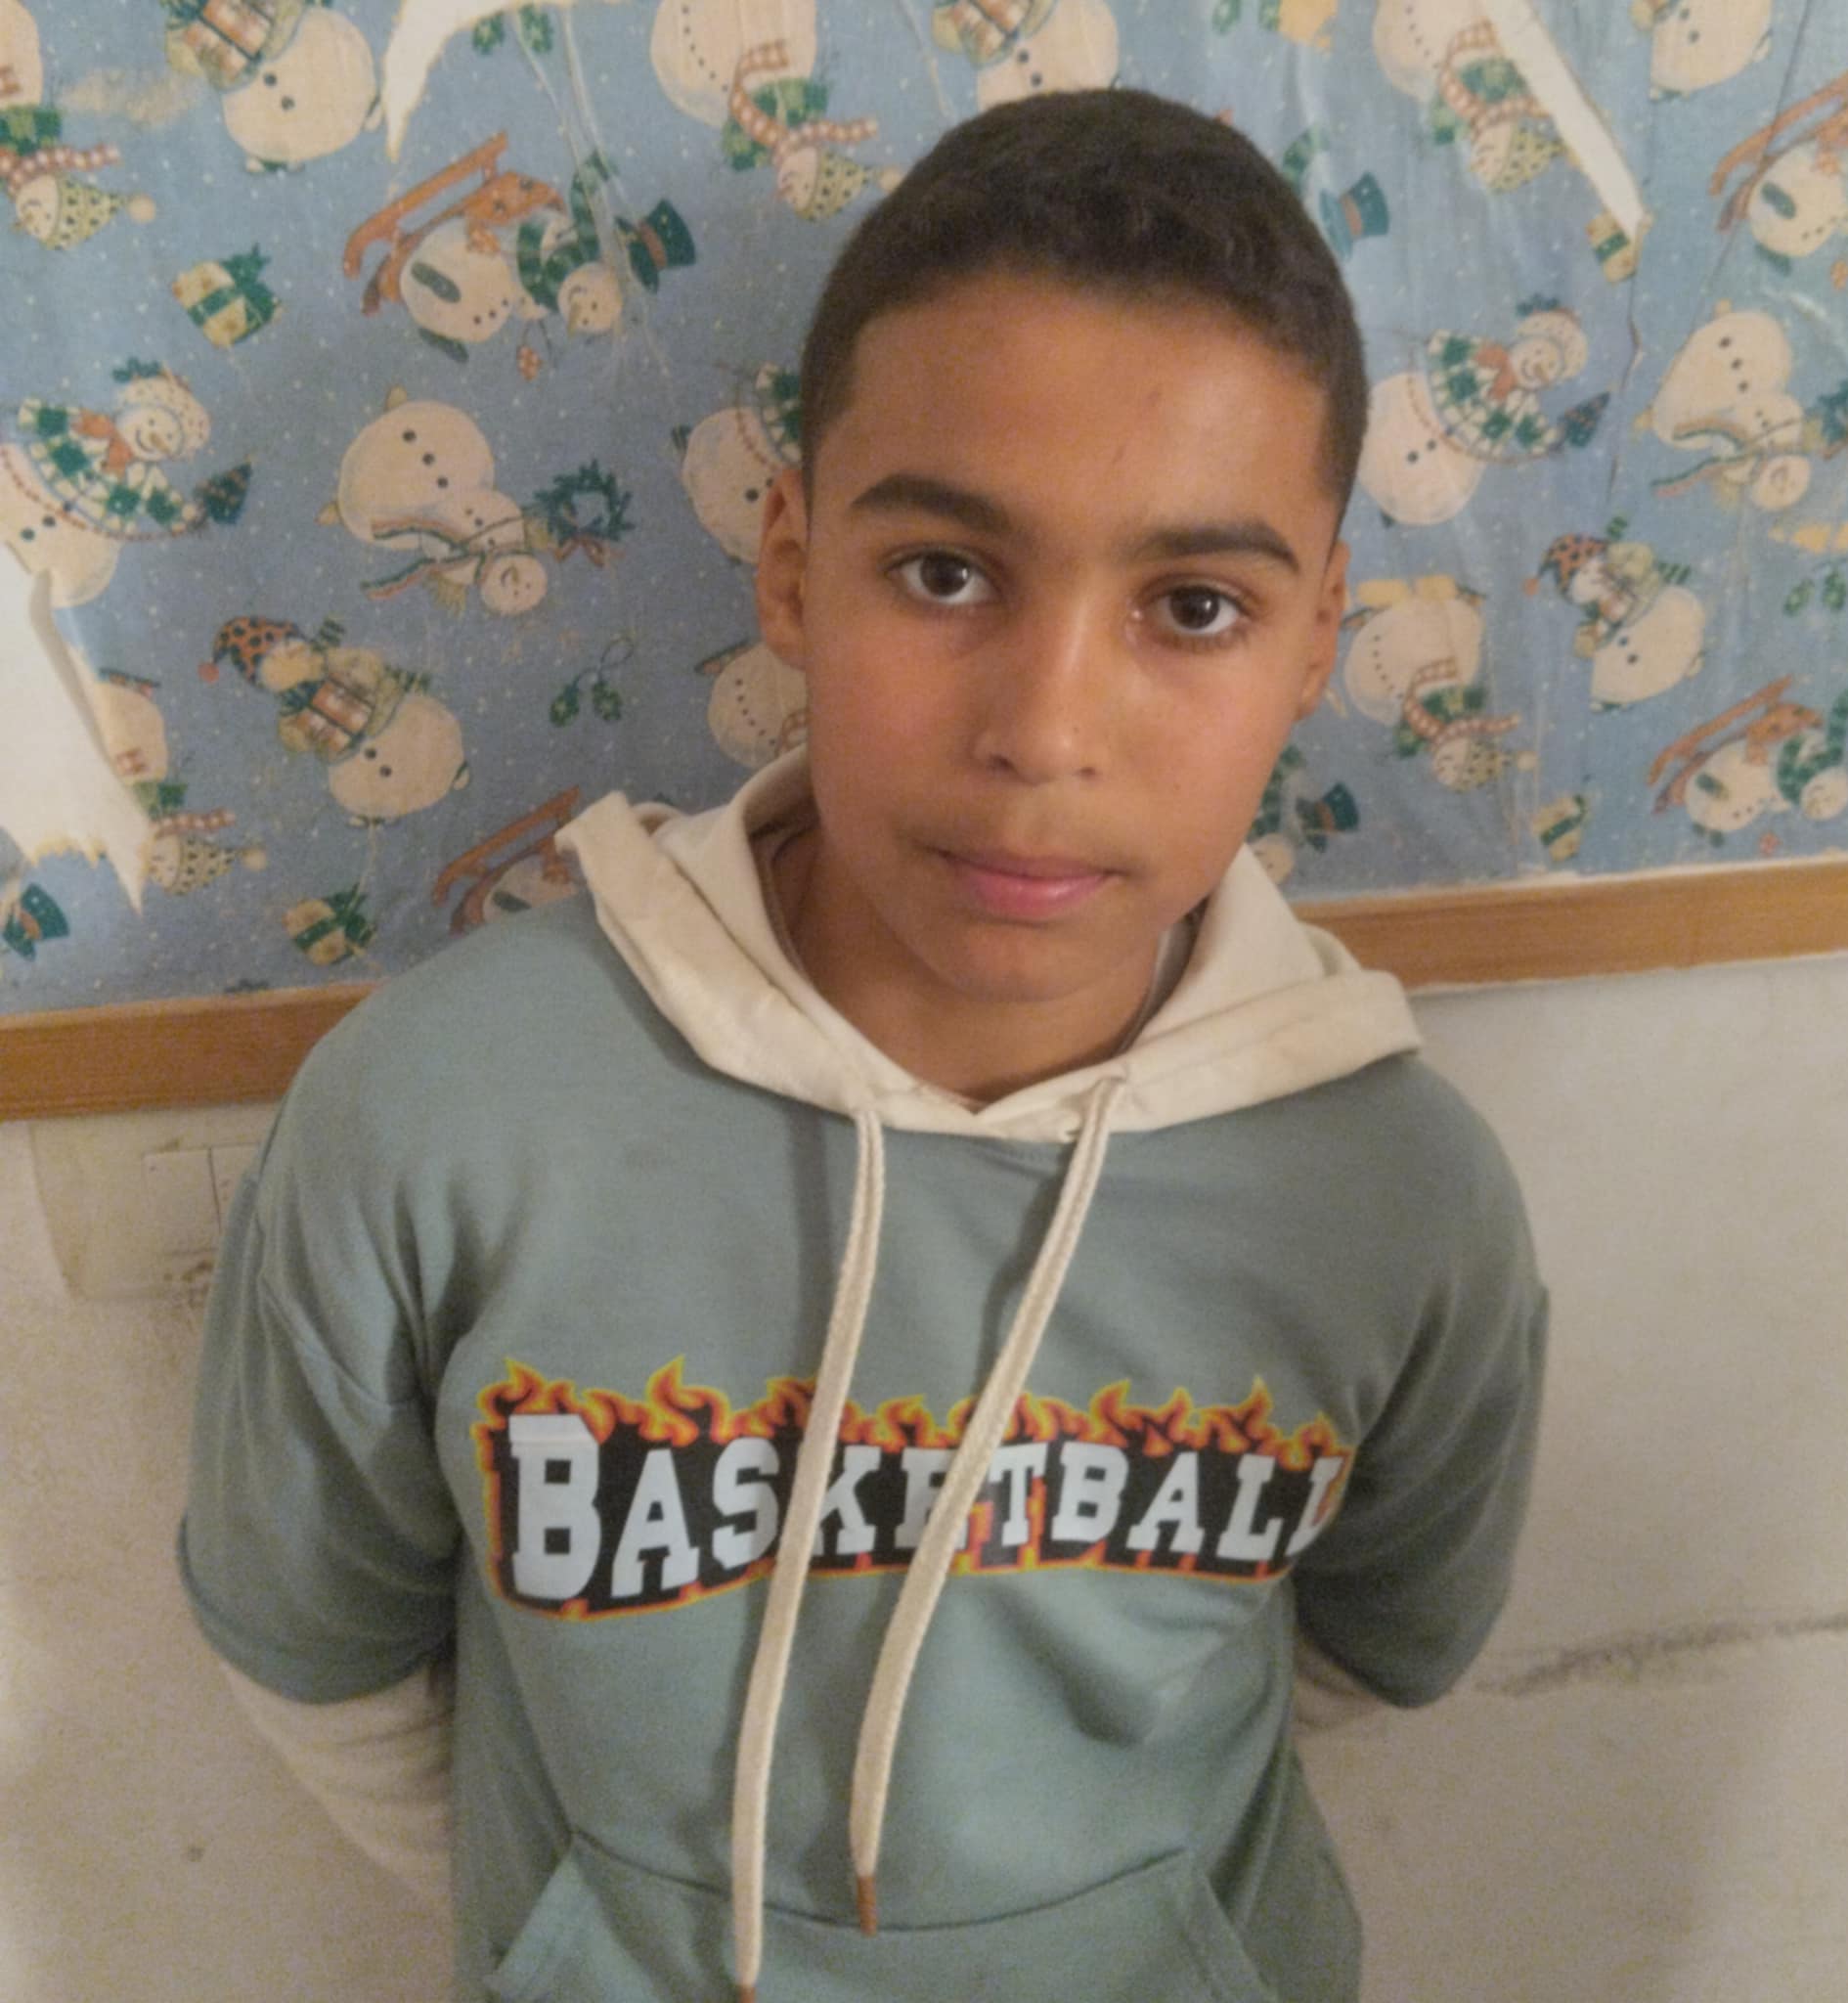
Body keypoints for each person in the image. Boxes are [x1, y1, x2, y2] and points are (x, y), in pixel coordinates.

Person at [180, 88, 1547, 2003]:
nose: (1044, 731)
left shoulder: (1402, 1200)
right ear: (791, 565)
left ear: (1317, 638)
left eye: (1192, 607)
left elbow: (1367, 1663)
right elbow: (320, 1662)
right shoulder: (432, 1119)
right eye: (945, 574)